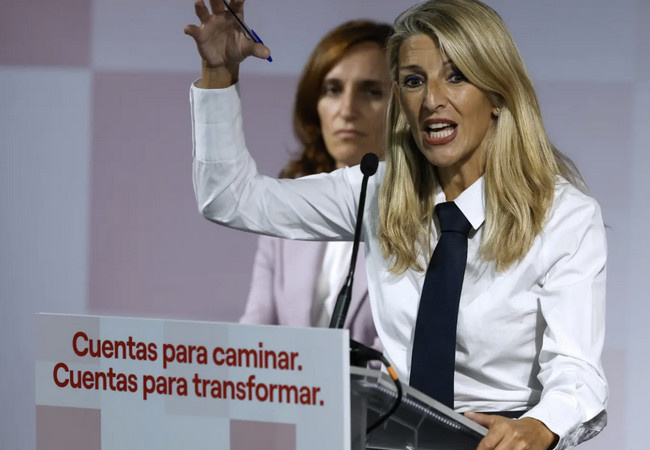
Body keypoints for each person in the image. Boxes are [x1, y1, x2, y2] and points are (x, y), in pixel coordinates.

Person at [184, 0, 607, 449]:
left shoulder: (563, 216)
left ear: (498, 95)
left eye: (456, 76)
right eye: (413, 81)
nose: (432, 101)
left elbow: (577, 372)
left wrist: (538, 427)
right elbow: (230, 199)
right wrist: (218, 73)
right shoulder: (376, 191)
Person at [239, 20, 392, 352]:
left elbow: (405, 356)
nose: (347, 110)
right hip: (286, 387)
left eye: (371, 91)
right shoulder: (289, 206)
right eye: (333, 89)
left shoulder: (427, 213)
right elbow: (254, 335)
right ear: (315, 105)